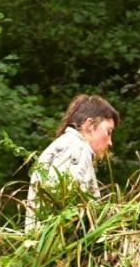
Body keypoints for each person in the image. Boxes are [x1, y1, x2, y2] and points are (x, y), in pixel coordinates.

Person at [25, 94, 119, 228]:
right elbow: (66, 212)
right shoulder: (77, 148)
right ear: (90, 125)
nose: (110, 142)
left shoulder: (67, 145)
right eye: (108, 132)